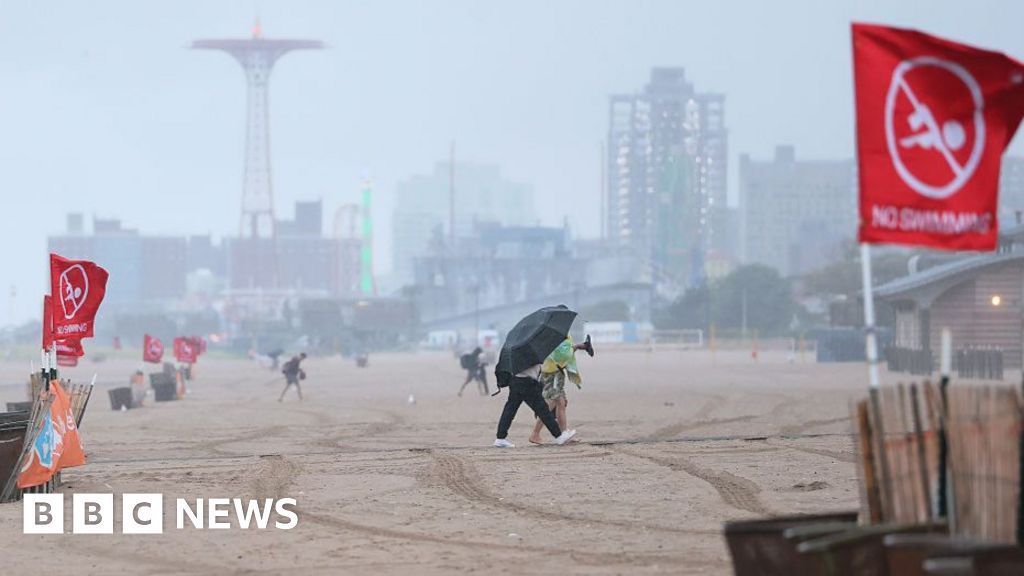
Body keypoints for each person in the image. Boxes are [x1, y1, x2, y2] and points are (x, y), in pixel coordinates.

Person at [493, 363, 576, 448]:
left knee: (509, 411)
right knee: (543, 410)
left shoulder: (514, 354)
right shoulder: (529, 353)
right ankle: (558, 435)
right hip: (527, 383)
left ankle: (500, 438)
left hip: (515, 381)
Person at [528, 336, 593, 445]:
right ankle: (535, 433)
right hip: (552, 372)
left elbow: (564, 350)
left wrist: (579, 346)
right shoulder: (553, 334)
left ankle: (564, 434)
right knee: (552, 401)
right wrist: (578, 346)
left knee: (560, 402)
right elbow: (561, 353)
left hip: (555, 371)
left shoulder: (558, 332)